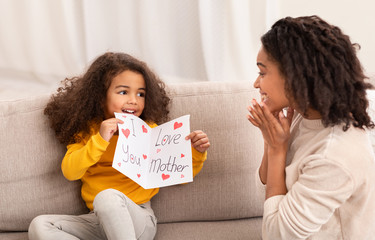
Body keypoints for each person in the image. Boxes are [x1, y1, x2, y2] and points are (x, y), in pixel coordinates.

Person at [28, 52, 210, 240]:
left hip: (139, 218)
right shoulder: (89, 132)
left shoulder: (149, 130)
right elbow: (70, 171)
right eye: (123, 92)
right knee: (40, 225)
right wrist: (100, 140)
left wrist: (195, 153)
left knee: (106, 197)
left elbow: (179, 177)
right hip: (98, 221)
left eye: (141, 94)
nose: (133, 100)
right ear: (100, 97)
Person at [247, 15, 375, 239]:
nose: (256, 83)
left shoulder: (334, 154)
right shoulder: (303, 114)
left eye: (262, 72)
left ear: (294, 76)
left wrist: (277, 150)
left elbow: (276, 234)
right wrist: (272, 142)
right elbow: (267, 199)